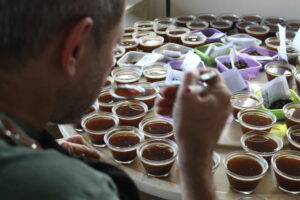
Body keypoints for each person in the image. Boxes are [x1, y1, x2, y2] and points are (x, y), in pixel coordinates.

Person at [0, 1, 231, 200]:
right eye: (115, 45)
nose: (112, 62)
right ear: (75, 49)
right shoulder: (67, 189)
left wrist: (40, 151)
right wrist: (195, 157)